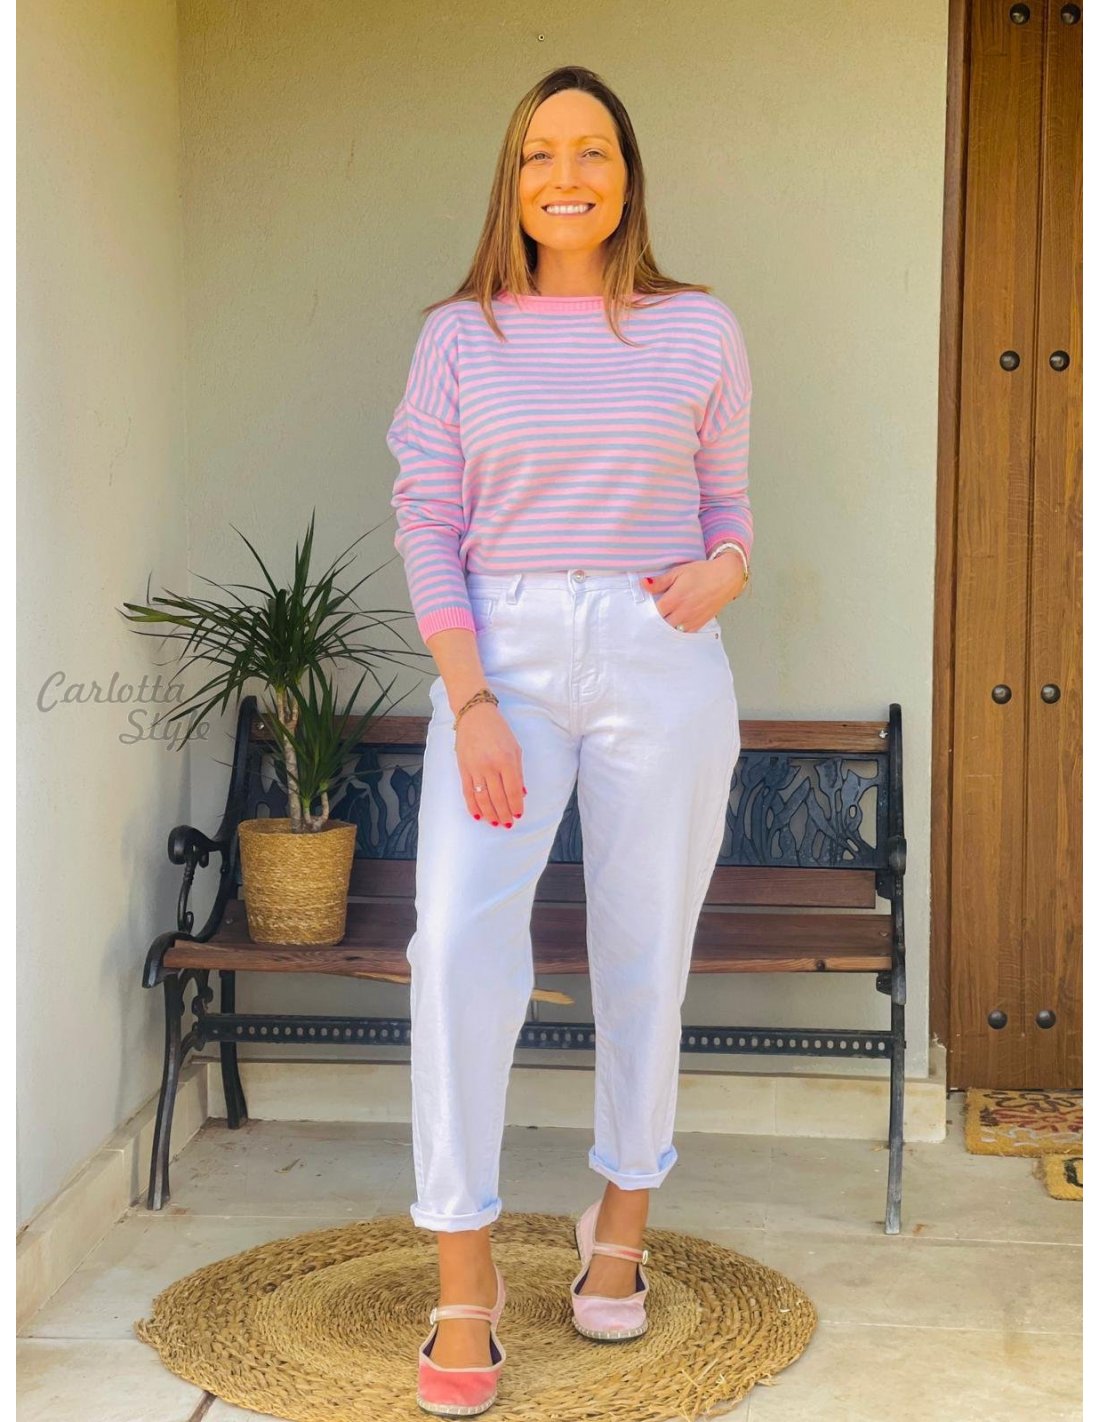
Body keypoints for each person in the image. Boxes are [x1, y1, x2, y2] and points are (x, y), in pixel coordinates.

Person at [386, 64, 753, 1418]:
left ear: (626, 174)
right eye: (542, 152)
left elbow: (729, 505)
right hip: (506, 661)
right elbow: (427, 522)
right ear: (514, 179)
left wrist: (728, 568)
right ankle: (464, 1273)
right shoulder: (458, 337)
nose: (567, 174)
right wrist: (471, 700)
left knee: (646, 947)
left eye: (592, 149)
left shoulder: (698, 326)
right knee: (454, 946)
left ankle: (621, 1226)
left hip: (660, 653)